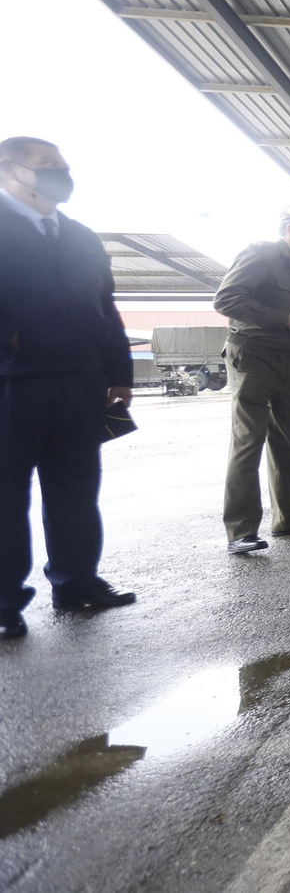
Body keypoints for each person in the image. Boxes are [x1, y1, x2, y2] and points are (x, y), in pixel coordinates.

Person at [0, 136, 136, 639]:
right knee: (5, 496)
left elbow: (105, 308)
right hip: (12, 383)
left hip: (80, 383)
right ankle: (4, 603)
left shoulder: (80, 236)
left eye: (63, 165)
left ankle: (77, 582)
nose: (59, 173)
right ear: (8, 169)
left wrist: (119, 372)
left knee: (76, 490)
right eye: (45, 166)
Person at [214, 204, 290, 555]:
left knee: (287, 439)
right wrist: (283, 316)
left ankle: (287, 517)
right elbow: (226, 299)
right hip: (253, 355)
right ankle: (241, 530)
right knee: (249, 440)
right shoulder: (260, 254)